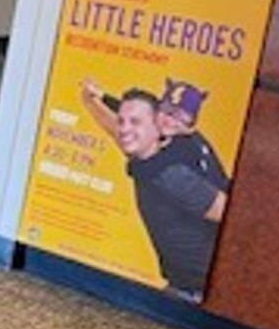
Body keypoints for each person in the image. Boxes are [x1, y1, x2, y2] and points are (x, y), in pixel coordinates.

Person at [81, 84, 227, 298]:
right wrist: (98, 98)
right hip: (186, 283)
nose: (169, 120)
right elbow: (125, 127)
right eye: (166, 111)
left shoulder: (168, 170)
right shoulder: (175, 140)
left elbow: (224, 211)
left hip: (196, 291)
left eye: (180, 116)